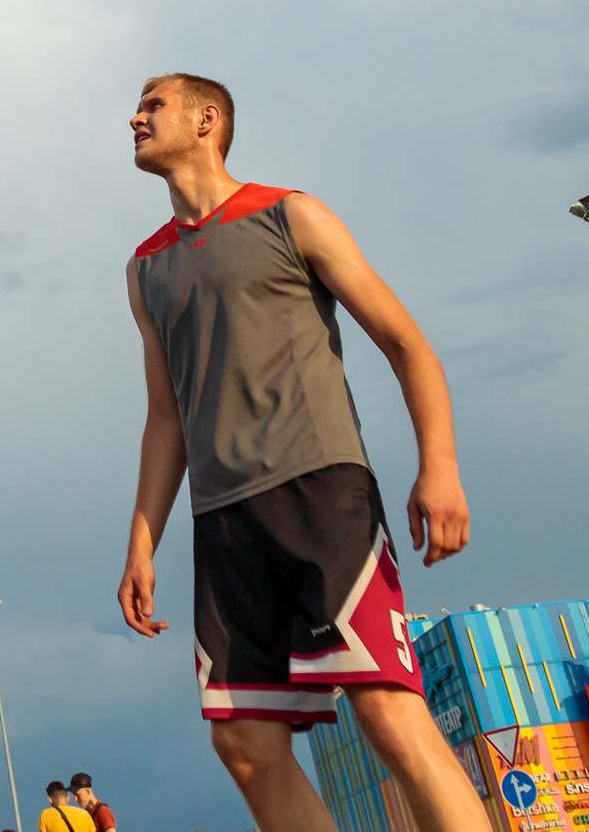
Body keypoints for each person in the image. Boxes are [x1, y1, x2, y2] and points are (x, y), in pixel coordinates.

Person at [114, 74, 488, 832]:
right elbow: (166, 417)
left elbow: (407, 342)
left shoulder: (292, 213)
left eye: (152, 104)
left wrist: (439, 465)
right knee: (245, 742)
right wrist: (141, 541)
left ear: (207, 119)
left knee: (384, 709)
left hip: (321, 492)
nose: (135, 117)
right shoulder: (145, 267)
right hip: (222, 520)